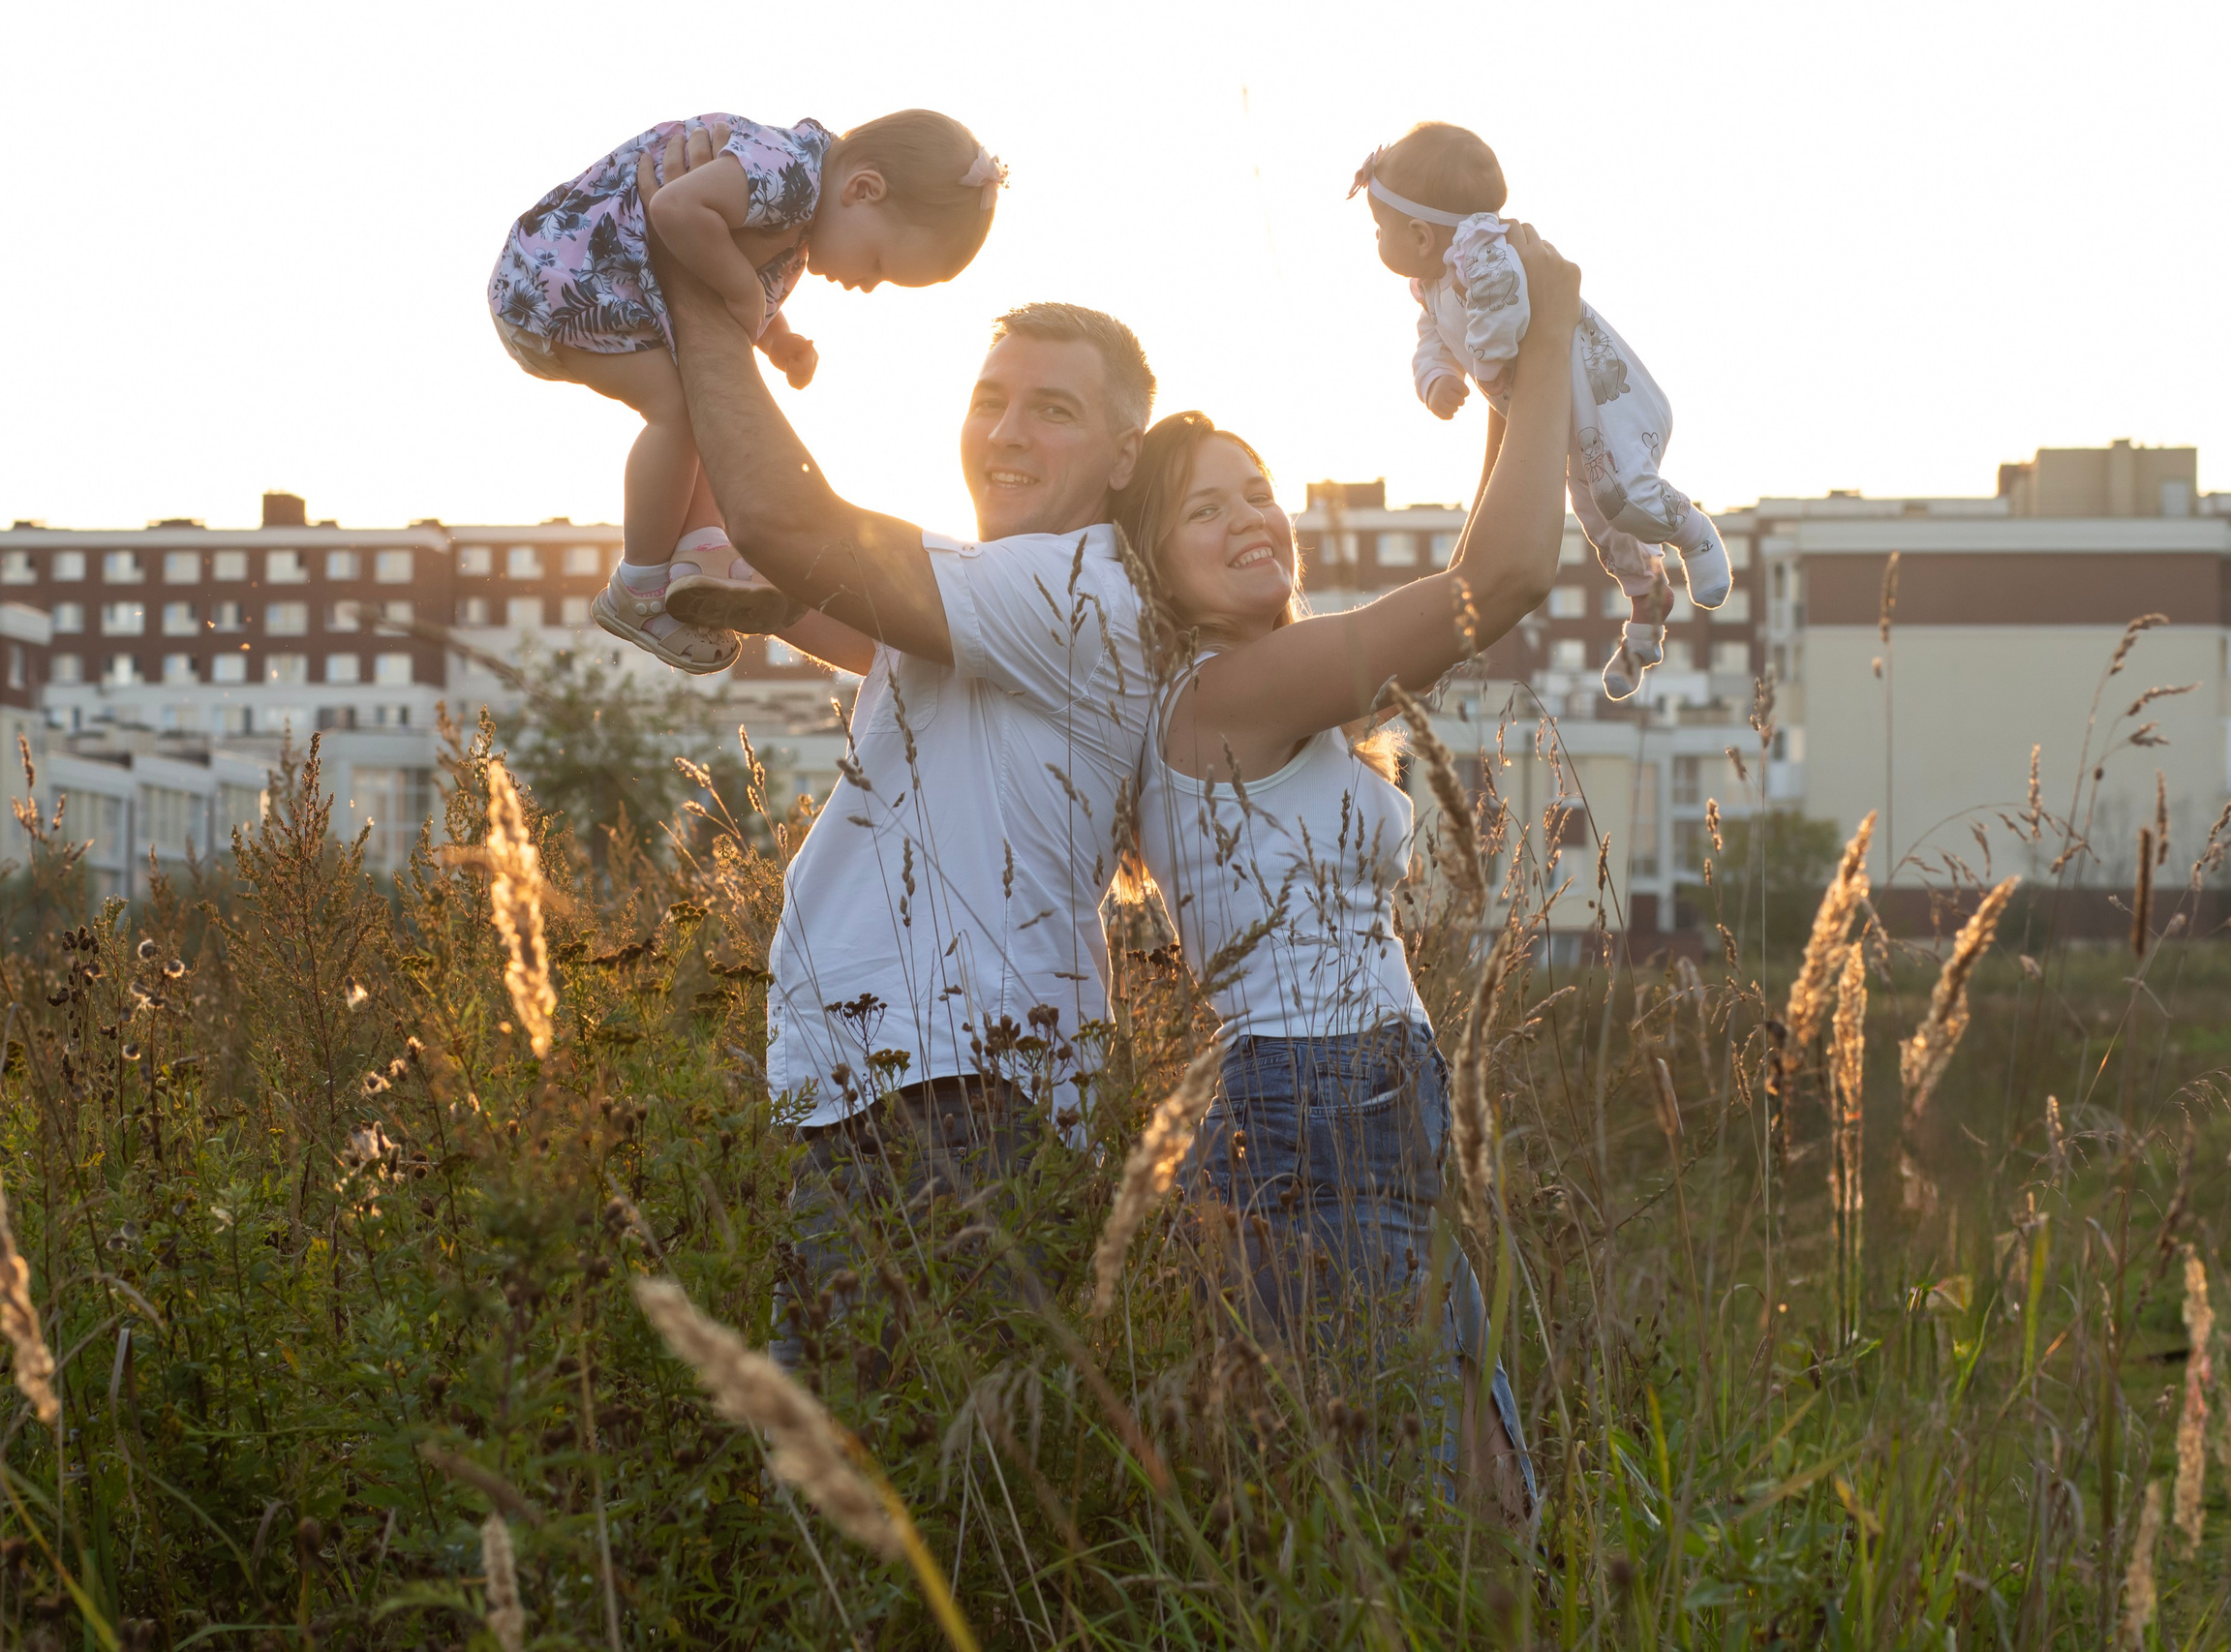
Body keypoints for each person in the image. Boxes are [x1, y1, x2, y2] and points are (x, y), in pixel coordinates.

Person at [634, 132, 1155, 1363]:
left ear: (1124, 457)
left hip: (967, 1101)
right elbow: (780, 568)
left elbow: (789, 524)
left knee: (896, 1479)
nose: (1008, 432)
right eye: (990, 399)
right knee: (867, 1482)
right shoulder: (984, 599)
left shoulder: (1083, 588)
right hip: (887, 1085)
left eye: (1055, 410)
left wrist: (704, 287)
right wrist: (689, 549)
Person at [1114, 220, 1582, 1523]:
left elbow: (1472, 568)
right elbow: (1501, 578)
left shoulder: (1268, 695)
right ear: (1153, 564)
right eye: (1203, 508)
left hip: (1351, 1113)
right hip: (1313, 1109)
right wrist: (1546, 334)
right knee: (1432, 1520)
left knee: (1481, 1508)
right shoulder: (1231, 689)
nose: (1250, 516)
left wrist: (1493, 366)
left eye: (1256, 486)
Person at [489, 109, 1005, 674]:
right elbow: (675, 210)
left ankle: (701, 551)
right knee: (682, 411)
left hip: (595, 282)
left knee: (715, 408)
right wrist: (743, 293)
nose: (865, 285)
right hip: (553, 280)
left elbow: (726, 262)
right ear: (863, 189)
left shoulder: (799, 200)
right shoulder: (787, 172)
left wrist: (777, 340)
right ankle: (635, 590)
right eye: (878, 264)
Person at [1356, 121, 1730, 700]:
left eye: (1380, 231)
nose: (1376, 244)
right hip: (1565, 421)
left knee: (1624, 496)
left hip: (1609, 399)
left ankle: (1697, 535)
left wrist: (1486, 366)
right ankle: (1645, 615)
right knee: (1601, 516)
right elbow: (1431, 339)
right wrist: (1436, 379)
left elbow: (1502, 314)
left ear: (1421, 236)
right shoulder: (1430, 285)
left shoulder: (1486, 257)